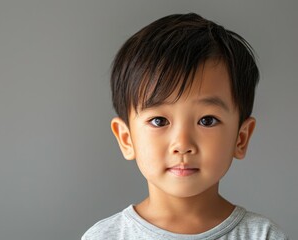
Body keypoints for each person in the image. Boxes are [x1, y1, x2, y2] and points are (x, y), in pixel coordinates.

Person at [82, 13, 288, 239]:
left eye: (207, 120)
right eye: (159, 121)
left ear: (241, 138)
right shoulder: (104, 237)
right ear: (126, 138)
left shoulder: (263, 235)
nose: (182, 144)